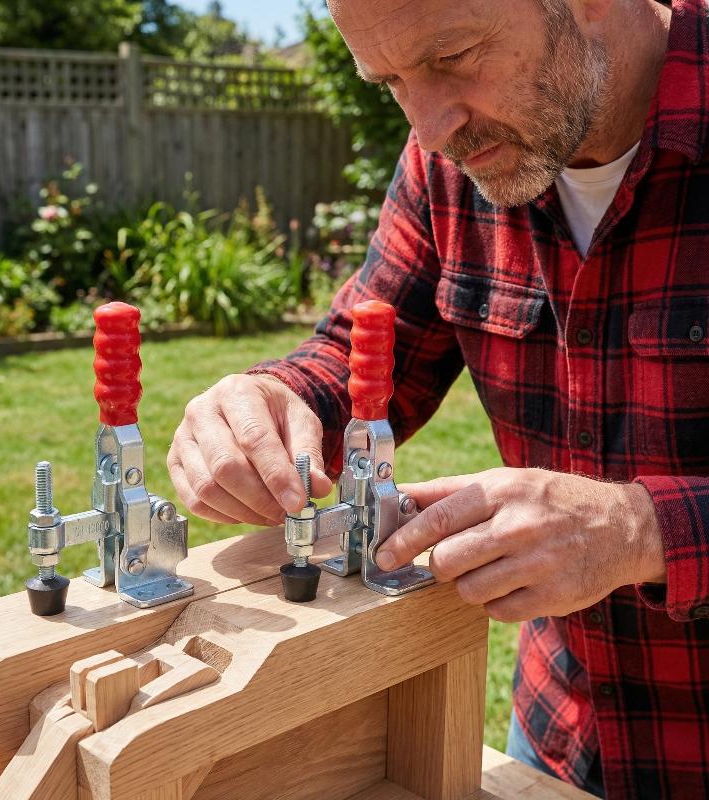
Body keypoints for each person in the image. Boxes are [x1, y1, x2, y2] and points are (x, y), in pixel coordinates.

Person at [168, 0, 709, 797]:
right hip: (563, 734)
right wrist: (273, 400)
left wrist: (639, 531)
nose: (426, 129)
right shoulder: (456, 162)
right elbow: (361, 351)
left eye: (451, 57)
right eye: (390, 81)